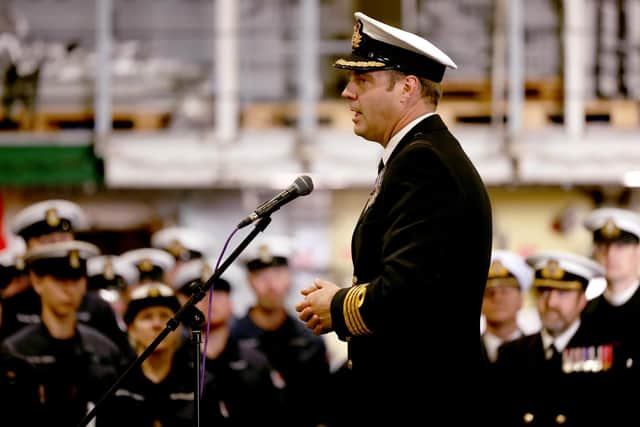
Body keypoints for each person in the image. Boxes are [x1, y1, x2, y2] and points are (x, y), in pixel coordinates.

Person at [295, 11, 492, 424]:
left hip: (422, 400)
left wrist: (336, 304)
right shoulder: (416, 155)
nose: (348, 93)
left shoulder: (424, 162)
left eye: (363, 80)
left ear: (407, 88)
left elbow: (410, 290)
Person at [494, 250, 634, 426]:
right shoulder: (511, 353)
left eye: (562, 293)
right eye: (544, 291)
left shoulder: (610, 354)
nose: (551, 303)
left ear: (582, 300)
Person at [0, 240, 124, 426]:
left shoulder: (104, 349)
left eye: (76, 280)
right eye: (59, 280)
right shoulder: (15, 351)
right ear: (37, 282)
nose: (69, 290)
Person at [232, 234, 331, 427]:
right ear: (249, 281)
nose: (270, 285)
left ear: (289, 278)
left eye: (278, 273)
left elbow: (323, 409)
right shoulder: (232, 338)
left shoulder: (310, 340)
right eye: (261, 275)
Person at [1, 199, 126, 350]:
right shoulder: (12, 303)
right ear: (27, 250)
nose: (57, 249)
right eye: (46, 242)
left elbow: (118, 357)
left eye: (63, 240)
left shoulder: (96, 306)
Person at [180, 260, 286, 425]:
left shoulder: (255, 361)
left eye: (219, 291)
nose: (209, 299)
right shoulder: (174, 361)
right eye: (199, 293)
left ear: (231, 302)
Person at [581, 207, 640, 351]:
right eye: (603, 246)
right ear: (595, 253)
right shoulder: (584, 313)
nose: (610, 254)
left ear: (638, 251)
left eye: (620, 246)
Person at [481, 249, 534, 363]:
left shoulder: (540, 352)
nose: (497, 298)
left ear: (521, 300)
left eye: (505, 291)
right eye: (489, 292)